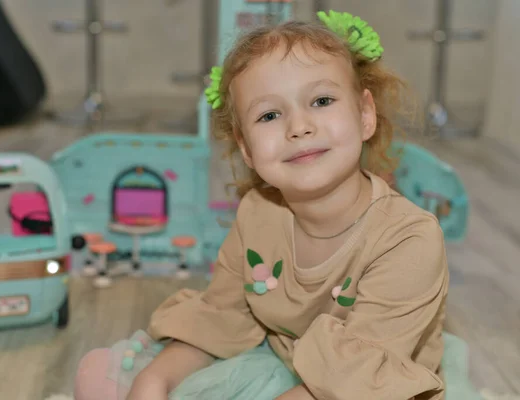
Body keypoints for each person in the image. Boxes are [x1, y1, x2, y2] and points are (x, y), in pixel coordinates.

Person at [74, 10, 449, 400]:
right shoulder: (258, 211)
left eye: (321, 100)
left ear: (365, 114)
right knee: (110, 377)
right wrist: (155, 381)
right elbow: (222, 316)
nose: (299, 126)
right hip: (282, 363)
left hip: (366, 390)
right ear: (246, 148)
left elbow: (359, 380)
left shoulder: (409, 239)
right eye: (269, 114)